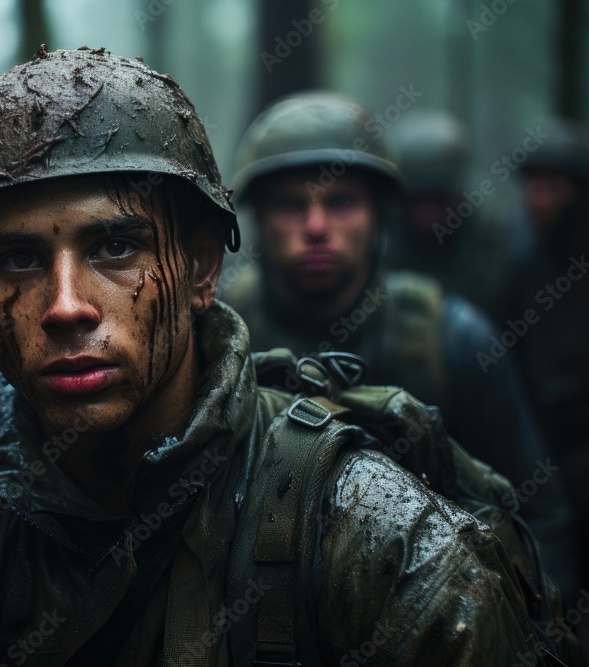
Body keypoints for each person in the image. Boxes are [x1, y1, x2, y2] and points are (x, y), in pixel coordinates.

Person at [0, 49, 579, 666]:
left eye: (115, 246)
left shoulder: (372, 539)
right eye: (17, 259)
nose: (66, 304)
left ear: (204, 269)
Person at [222, 91, 583, 605]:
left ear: (377, 216)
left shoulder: (454, 338)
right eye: (290, 204)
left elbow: (537, 513)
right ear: (259, 217)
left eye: (342, 202)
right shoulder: (215, 336)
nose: (317, 227)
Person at [498, 115, 589, 623]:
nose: (538, 199)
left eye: (551, 187)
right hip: (542, 454)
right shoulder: (522, 262)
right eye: (533, 187)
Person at [383, 108, 512, 316]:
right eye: (416, 202)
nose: (427, 217)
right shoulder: (386, 235)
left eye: (437, 200)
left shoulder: (488, 237)